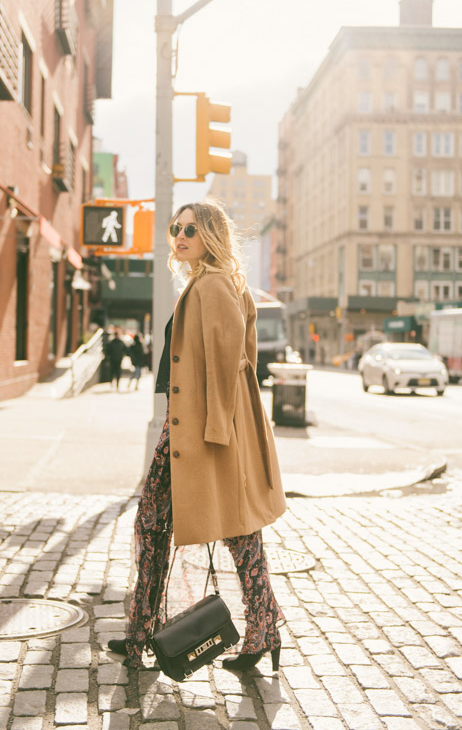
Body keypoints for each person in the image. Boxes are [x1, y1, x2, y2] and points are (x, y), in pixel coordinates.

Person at [108, 199, 287, 672]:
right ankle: (258, 625)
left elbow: (232, 363)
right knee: (228, 529)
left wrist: (214, 433)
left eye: (191, 228)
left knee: (161, 524)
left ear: (210, 234)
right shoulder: (212, 283)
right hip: (199, 426)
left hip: (205, 431)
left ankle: (146, 630)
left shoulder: (212, 287)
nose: (180, 235)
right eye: (175, 227)